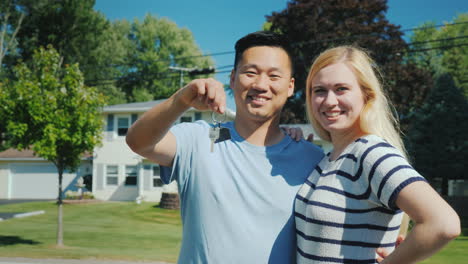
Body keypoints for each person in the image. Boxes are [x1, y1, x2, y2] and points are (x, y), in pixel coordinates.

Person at [126, 31, 324, 263]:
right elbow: (138, 142)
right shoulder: (201, 139)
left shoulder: (312, 159)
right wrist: (181, 100)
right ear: (232, 78)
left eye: (274, 76)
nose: (261, 85)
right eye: (250, 73)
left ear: (290, 86)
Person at [295, 45, 461, 263]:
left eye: (341, 89)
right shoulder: (328, 159)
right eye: (319, 90)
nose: (329, 101)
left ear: (366, 94)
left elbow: (443, 223)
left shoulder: (370, 152)